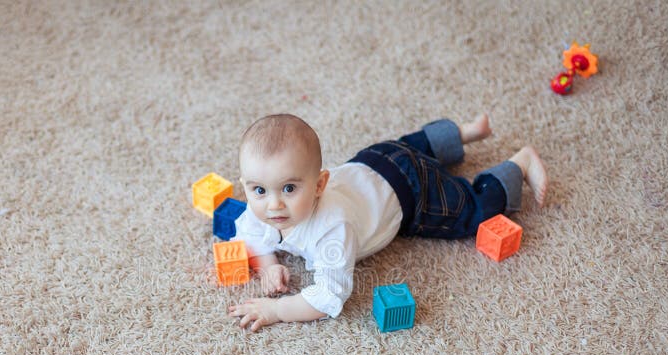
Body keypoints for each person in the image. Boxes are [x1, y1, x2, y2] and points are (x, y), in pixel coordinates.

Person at [227, 113, 548, 332]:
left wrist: (277, 311)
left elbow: (328, 296)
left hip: (411, 190)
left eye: (289, 188)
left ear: (320, 185)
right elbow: (249, 232)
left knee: (471, 212)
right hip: (375, 157)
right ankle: (466, 132)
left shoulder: (331, 230)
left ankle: (519, 163)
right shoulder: (264, 210)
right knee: (411, 144)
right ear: (247, 187)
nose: (274, 205)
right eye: (259, 190)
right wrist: (268, 265)